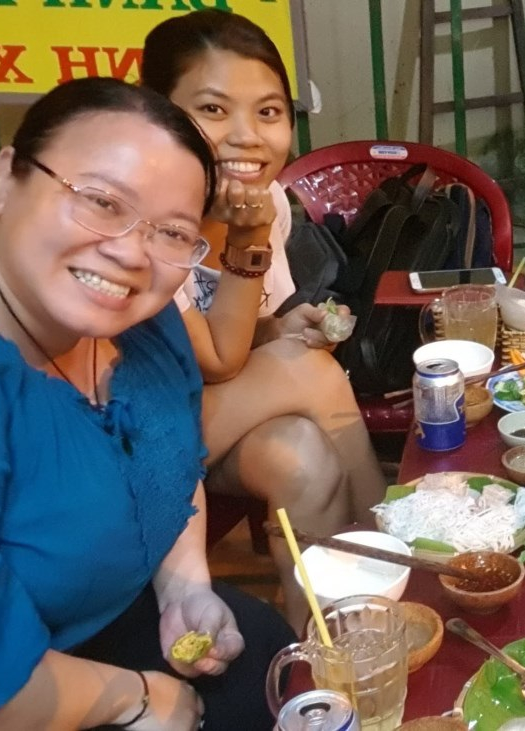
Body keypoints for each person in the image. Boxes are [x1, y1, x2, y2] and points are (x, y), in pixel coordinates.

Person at [0, 77, 293, 730]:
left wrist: (184, 584)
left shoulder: (134, 313)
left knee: (274, 665)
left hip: (116, 615)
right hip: (0, 687)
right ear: (5, 178)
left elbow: (169, 455)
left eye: (172, 232)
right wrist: (133, 698)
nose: (130, 252)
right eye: (101, 202)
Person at [141, 9, 386, 627]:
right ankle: (392, 551)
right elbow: (217, 362)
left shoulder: (266, 200)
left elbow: (246, 335)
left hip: (216, 422)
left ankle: (330, 642)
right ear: (158, 113)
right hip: (143, 436)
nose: (247, 136)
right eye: (214, 109)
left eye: (269, 112)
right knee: (310, 371)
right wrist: (247, 240)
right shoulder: (145, 223)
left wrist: (281, 328)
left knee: (301, 458)